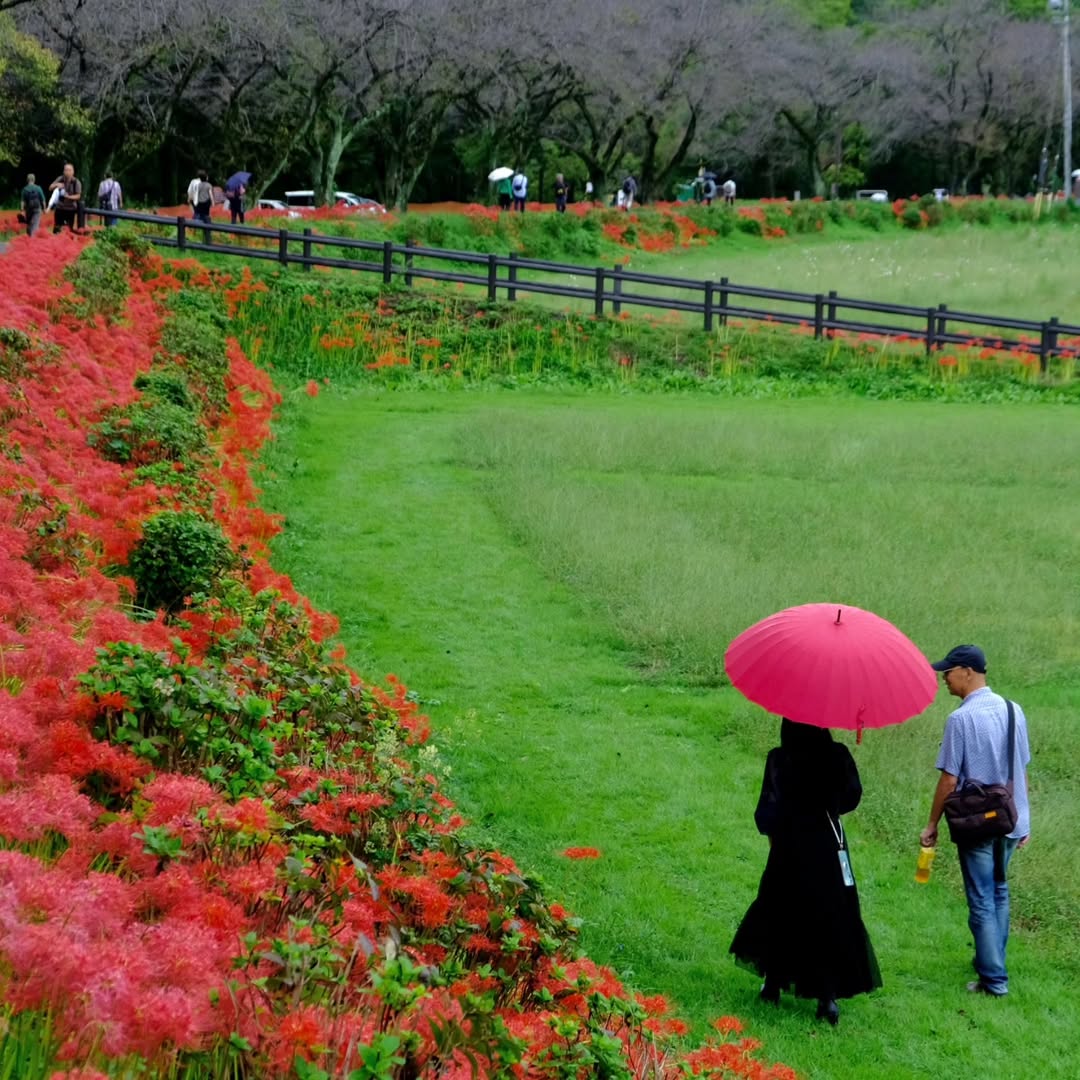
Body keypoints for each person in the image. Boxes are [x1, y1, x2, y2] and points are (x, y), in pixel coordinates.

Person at [730, 718, 881, 1025]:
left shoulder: (780, 758)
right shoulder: (837, 755)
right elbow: (852, 797)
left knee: (780, 909)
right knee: (830, 913)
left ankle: (773, 984)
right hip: (827, 843)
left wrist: (777, 838)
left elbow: (767, 811)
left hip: (789, 844)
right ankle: (827, 998)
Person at [920, 645, 1031, 998]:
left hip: (978, 822)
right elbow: (1021, 768)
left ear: (967, 672)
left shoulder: (960, 719)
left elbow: (950, 780)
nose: (944, 679)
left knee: (982, 898)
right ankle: (991, 958)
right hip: (1011, 819)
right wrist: (1026, 820)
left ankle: (994, 980)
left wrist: (932, 824)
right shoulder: (1015, 710)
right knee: (1000, 890)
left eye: (948, 672)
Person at [49, 163, 82, 234]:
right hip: (59, 208)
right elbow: (50, 188)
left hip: (70, 209)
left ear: (73, 172)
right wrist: (56, 185)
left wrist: (68, 197)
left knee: (68, 229)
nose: (67, 172)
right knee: (57, 228)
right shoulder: (60, 179)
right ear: (63, 171)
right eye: (66, 170)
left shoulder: (76, 182)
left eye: (69, 170)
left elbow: (78, 196)